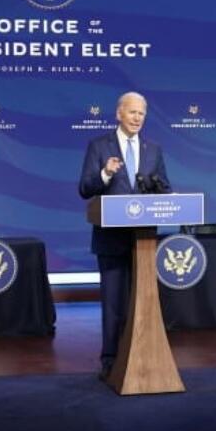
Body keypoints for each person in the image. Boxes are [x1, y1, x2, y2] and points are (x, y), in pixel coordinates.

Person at [78, 91, 171, 378]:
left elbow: (165, 187)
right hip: (111, 240)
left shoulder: (153, 149)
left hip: (143, 242)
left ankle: (143, 358)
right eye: (132, 112)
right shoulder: (99, 146)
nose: (137, 118)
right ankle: (111, 360)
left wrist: (163, 197)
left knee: (142, 303)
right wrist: (105, 174)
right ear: (119, 114)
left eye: (142, 113)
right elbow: (85, 188)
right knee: (114, 304)